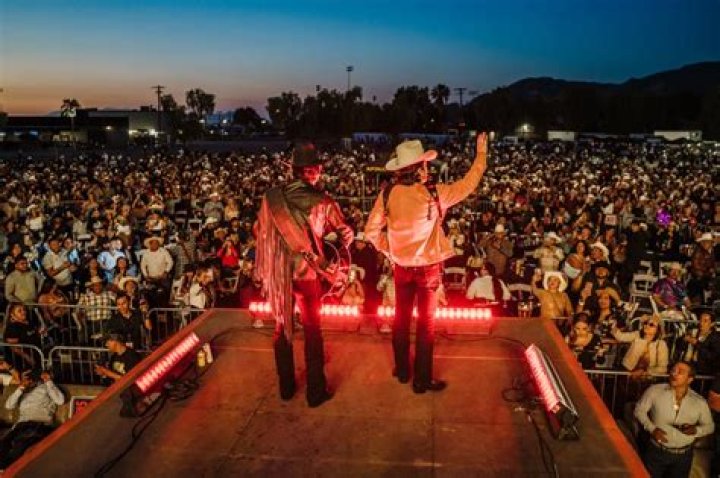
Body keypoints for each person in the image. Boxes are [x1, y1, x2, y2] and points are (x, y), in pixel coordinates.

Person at [365, 133, 488, 393]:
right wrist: (481, 155)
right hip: (428, 270)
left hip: (401, 268)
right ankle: (421, 380)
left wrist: (391, 250)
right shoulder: (435, 193)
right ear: (420, 166)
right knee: (425, 325)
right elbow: (469, 183)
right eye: (425, 164)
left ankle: (402, 371)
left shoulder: (387, 194)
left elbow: (371, 232)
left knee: (401, 319)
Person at [255, 142, 353, 407]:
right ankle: (315, 392)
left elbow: (258, 232)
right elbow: (345, 234)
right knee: (312, 330)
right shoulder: (324, 201)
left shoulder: (271, 198)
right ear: (315, 171)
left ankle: (286, 388)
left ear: (294, 170)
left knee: (282, 329)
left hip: (279, 275)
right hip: (308, 275)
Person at [634, 361, 714, 478]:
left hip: (683, 457)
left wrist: (696, 430)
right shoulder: (655, 391)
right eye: (673, 370)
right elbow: (639, 411)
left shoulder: (699, 402)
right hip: (656, 452)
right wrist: (652, 429)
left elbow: (710, 426)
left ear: (689, 379)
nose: (674, 374)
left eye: (680, 372)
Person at [0, 369, 65, 469]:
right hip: (21, 425)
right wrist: (21, 388)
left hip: (39, 424)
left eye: (27, 378)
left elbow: (60, 401)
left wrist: (48, 381)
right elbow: (9, 406)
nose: (26, 381)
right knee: (4, 443)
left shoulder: (45, 388)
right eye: (24, 378)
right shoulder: (22, 392)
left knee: (20, 444)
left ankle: (10, 470)